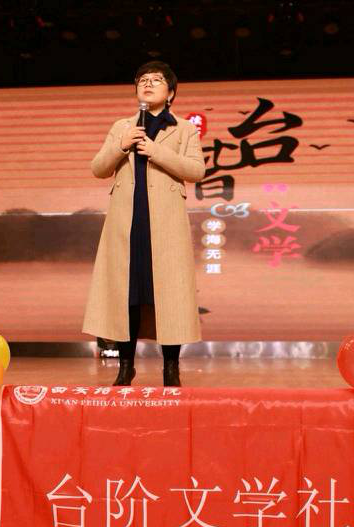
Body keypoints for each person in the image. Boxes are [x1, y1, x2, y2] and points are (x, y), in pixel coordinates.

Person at [82, 61, 205, 387]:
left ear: (171, 93)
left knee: (170, 296)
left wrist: (156, 152)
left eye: (156, 80)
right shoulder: (122, 126)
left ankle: (171, 368)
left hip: (166, 225)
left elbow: (197, 171)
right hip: (128, 223)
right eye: (142, 80)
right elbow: (98, 168)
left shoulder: (184, 129)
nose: (147, 84)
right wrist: (121, 144)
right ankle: (126, 366)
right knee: (128, 294)